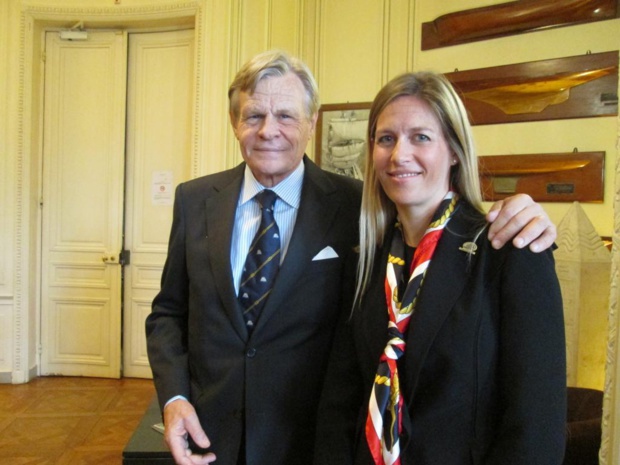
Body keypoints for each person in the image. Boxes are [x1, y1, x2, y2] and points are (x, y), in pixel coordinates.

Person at [145, 50, 558, 465]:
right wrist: (174, 397)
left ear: (311, 123)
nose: (269, 130)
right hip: (213, 437)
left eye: (286, 115)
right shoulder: (374, 244)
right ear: (235, 123)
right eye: (254, 116)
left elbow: (534, 421)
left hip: (302, 443)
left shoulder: (352, 212)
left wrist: (526, 212)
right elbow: (169, 311)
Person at [313, 71, 567, 465]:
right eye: (386, 139)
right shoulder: (365, 260)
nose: (399, 155)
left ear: (453, 150)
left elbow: (535, 426)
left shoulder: (511, 248)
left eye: (421, 137)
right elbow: (340, 402)